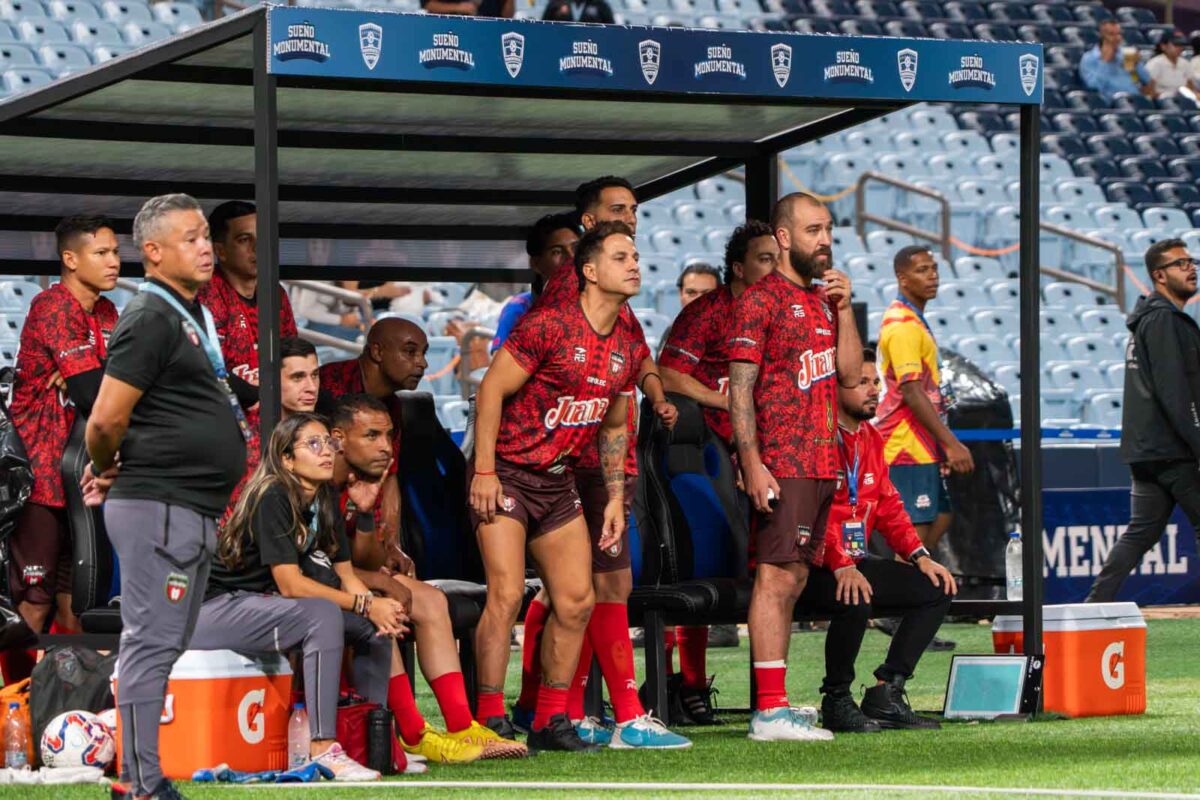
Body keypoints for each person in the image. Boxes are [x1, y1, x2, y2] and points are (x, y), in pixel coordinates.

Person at [84, 194, 249, 800]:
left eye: (206, 235)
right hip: (159, 504)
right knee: (151, 644)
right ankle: (140, 782)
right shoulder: (150, 316)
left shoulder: (188, 313)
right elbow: (105, 421)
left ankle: (142, 777)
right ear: (152, 252)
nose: (206, 247)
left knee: (165, 644)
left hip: (189, 508)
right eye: (190, 238)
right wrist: (105, 469)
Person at [511, 182, 683, 747]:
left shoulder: (622, 300)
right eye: (618, 212)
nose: (630, 221)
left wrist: (654, 393)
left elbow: (636, 359)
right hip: (570, 458)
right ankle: (623, 715)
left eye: (634, 212)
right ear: (588, 224)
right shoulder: (572, 291)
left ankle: (554, 708)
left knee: (580, 591)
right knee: (597, 587)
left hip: (609, 456)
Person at [469, 221, 649, 752]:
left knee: (577, 600)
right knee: (504, 593)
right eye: (621, 257)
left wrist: (615, 495)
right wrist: (483, 471)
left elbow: (615, 424)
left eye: (635, 256)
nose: (634, 264)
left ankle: (549, 721)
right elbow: (490, 392)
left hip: (558, 479)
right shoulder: (549, 324)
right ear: (590, 272)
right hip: (506, 471)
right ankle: (489, 717)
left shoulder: (627, 342)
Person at [191, 414, 392, 781]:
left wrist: (377, 610)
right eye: (312, 445)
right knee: (322, 615)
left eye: (328, 443)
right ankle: (322, 749)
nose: (326, 452)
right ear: (286, 459)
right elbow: (291, 585)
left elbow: (346, 575)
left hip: (255, 605)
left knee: (372, 629)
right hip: (211, 610)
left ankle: (374, 743)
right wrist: (365, 603)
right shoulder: (273, 495)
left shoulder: (325, 497)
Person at [329, 394, 528, 761]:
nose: (385, 447)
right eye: (372, 436)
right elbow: (320, 568)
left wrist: (369, 514)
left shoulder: (363, 480)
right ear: (338, 438)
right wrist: (383, 582)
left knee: (432, 600)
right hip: (317, 587)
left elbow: (363, 558)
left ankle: (461, 725)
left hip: (350, 578)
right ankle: (412, 730)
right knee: (383, 606)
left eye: (388, 436)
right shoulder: (319, 478)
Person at [729, 192, 862, 743]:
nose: (824, 239)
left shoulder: (820, 302)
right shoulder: (760, 301)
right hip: (782, 461)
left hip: (821, 462)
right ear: (784, 238)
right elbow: (739, 391)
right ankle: (768, 710)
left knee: (797, 577)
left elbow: (851, 376)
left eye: (828, 228)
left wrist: (847, 308)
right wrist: (753, 463)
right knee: (777, 578)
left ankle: (776, 702)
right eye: (812, 230)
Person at [652, 220, 780, 722]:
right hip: (708, 451)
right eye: (763, 258)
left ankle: (774, 689)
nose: (773, 268)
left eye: (777, 257)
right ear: (738, 266)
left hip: (768, 448)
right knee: (701, 564)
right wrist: (724, 398)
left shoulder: (780, 310)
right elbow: (666, 371)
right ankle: (685, 682)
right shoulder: (707, 312)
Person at [807, 348, 955, 733]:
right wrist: (840, 563)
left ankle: (886, 690)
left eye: (876, 382)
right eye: (862, 383)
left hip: (855, 560)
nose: (874, 391)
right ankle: (836, 699)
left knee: (936, 587)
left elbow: (889, 505)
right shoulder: (815, 438)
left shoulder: (870, 437)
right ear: (834, 388)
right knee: (856, 594)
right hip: (810, 564)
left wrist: (920, 555)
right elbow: (807, 517)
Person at [7, 215, 120, 637]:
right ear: (70, 259)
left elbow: (128, 379)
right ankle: (14, 702)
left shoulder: (107, 311)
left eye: (115, 252)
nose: (113, 262)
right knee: (32, 607)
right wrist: (98, 377)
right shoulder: (53, 306)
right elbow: (94, 395)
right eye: (101, 253)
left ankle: (68, 700)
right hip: (42, 479)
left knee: (80, 606)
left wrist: (96, 372)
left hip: (87, 479)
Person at [1088, 240, 1200, 602]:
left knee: (1140, 534)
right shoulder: (1165, 321)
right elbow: (1175, 393)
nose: (1191, 268)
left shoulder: (1150, 320)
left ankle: (1092, 605)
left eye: (1191, 261)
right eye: (1180, 263)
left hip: (1148, 450)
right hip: (1174, 449)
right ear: (1159, 275)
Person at [875, 246, 973, 553]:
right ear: (902, 279)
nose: (932, 276)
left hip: (921, 445)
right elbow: (912, 391)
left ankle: (912, 584)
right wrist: (950, 443)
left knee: (942, 516)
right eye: (922, 270)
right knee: (913, 536)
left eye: (934, 269)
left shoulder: (914, 320)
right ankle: (901, 594)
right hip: (904, 446)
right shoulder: (902, 326)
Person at [318, 317, 430, 572]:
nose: (422, 363)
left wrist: (392, 544)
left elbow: (390, 475)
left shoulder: (394, 406)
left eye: (423, 353)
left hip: (364, 529)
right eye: (410, 352)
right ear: (378, 352)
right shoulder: (329, 386)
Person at [490, 213, 580, 355]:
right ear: (536, 264)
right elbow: (499, 371)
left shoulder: (598, 305)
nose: (570, 258)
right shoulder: (519, 308)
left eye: (576, 249)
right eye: (557, 252)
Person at [1080, 19, 1156, 100]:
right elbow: (1094, 87)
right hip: (1113, 104)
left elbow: (1142, 81)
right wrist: (1105, 62)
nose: (1117, 38)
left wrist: (1137, 65)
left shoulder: (1127, 54)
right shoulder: (1089, 58)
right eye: (1112, 34)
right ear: (1102, 35)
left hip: (1135, 99)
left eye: (1119, 34)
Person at [293, 281, 366, 341]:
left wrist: (358, 321)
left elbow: (349, 308)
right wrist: (340, 320)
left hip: (331, 319)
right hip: (304, 323)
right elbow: (305, 310)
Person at [1146, 29, 1199, 98]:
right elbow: (1148, 90)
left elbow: (1190, 86)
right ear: (1163, 46)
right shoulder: (1155, 63)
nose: (1179, 48)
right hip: (1163, 100)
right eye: (1176, 45)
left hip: (1183, 99)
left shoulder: (1184, 63)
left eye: (1181, 45)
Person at [279, 336, 321, 419]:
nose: (312, 388)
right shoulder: (250, 429)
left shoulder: (326, 429)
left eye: (314, 375)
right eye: (298, 377)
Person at [542, 0, 614, 23]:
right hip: (560, 45)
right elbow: (542, 28)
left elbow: (613, 31)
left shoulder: (600, 5)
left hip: (591, 48)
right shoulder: (556, 3)